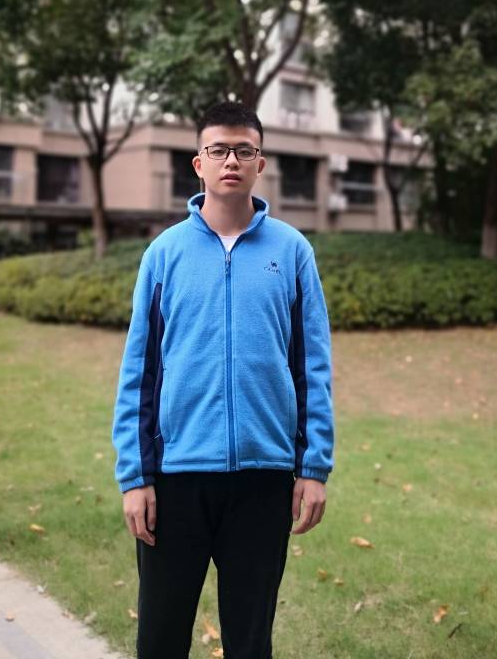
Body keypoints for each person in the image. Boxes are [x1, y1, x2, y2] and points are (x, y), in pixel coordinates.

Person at [111, 100, 335, 659]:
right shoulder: (164, 254)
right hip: (175, 481)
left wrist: (313, 466)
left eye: (243, 150)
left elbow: (312, 366)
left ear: (261, 163)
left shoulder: (293, 252)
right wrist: (135, 477)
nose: (230, 160)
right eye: (218, 150)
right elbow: (140, 371)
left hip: (264, 480)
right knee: (160, 640)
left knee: (250, 642)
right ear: (199, 163)